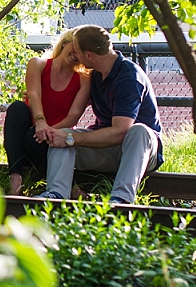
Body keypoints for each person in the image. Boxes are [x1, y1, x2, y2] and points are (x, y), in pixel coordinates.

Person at [38, 25, 163, 203]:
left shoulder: (129, 77)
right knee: (63, 134)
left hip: (139, 151)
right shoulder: (94, 75)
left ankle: (121, 199)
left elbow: (121, 131)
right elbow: (67, 101)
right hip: (106, 148)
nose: (76, 57)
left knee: (138, 131)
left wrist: (72, 139)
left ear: (88, 55)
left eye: (78, 53)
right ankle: (56, 194)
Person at [3, 29, 91, 194]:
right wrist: (40, 122)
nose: (77, 54)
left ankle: (70, 186)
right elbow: (33, 94)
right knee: (17, 108)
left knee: (33, 138)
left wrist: (49, 131)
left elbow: (73, 117)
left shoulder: (84, 79)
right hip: (27, 136)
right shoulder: (37, 64)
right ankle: (15, 180)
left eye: (82, 52)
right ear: (65, 43)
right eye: (76, 47)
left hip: (54, 142)